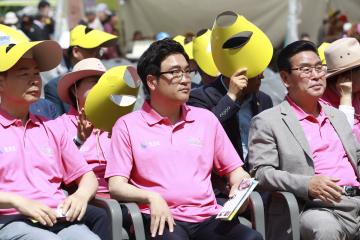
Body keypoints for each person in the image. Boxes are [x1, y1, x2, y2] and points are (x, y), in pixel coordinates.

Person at [105, 39, 262, 240]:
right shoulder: (127, 125)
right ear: (152, 81)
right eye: (175, 72)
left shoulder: (206, 120)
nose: (185, 79)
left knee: (252, 238)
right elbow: (116, 186)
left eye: (187, 71)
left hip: (209, 217)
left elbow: (236, 171)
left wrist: (241, 188)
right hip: (160, 218)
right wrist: (151, 197)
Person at [248, 40, 360, 240]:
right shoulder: (268, 121)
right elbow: (261, 173)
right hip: (313, 208)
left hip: (355, 199)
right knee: (325, 229)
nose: (316, 75)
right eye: (306, 70)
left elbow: (357, 158)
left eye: (319, 68)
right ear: (285, 78)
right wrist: (307, 184)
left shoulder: (337, 116)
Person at [0, 39, 100, 239]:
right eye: (24, 74)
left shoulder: (51, 127)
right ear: (1, 82)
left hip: (58, 219)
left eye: (36, 73)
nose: (35, 80)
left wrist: (80, 196)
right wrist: (19, 202)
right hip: (11, 221)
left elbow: (87, 176)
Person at [57, 58, 109, 194]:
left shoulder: (119, 123)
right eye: (95, 83)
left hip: (126, 199)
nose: (102, 88)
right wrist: (79, 140)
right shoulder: (59, 126)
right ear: (75, 90)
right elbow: (55, 171)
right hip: (84, 201)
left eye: (105, 83)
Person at [44, 24, 117, 115]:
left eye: (99, 51)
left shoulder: (107, 80)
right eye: (93, 51)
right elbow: (54, 124)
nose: (98, 56)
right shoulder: (54, 87)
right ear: (76, 52)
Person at [321, 37, 360, 142]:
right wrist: (346, 97)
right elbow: (345, 137)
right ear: (348, 75)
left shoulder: (357, 92)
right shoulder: (322, 103)